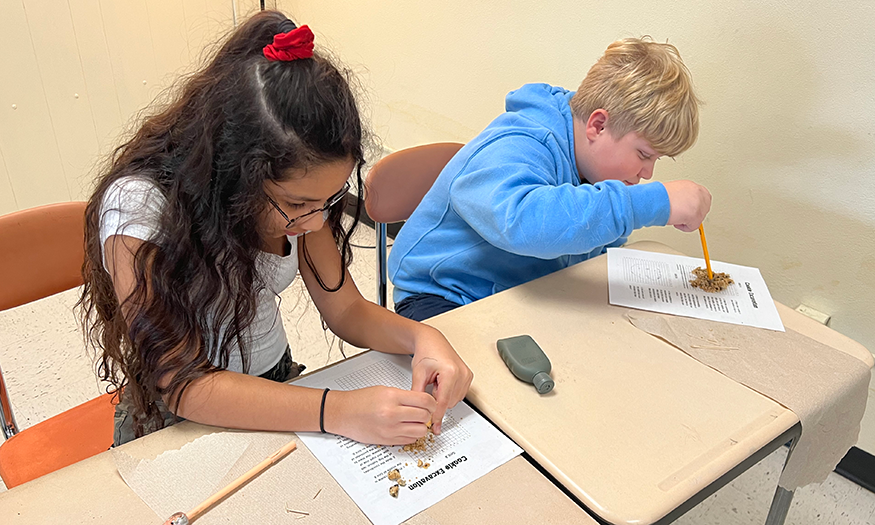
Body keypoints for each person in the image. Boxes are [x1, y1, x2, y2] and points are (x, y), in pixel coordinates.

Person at [78, 10, 472, 447]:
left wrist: (424, 337)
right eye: (297, 204)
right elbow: (182, 382)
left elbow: (344, 309)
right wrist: (338, 410)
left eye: (331, 198)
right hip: (178, 420)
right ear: (232, 172)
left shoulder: (304, 198)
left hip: (275, 382)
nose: (316, 222)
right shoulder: (140, 209)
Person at [388, 37, 712, 321]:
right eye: (644, 155)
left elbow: (588, 236)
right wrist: (657, 202)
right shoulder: (519, 141)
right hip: (444, 297)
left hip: (523, 291)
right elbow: (525, 225)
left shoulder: (596, 167)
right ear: (598, 125)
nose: (648, 173)